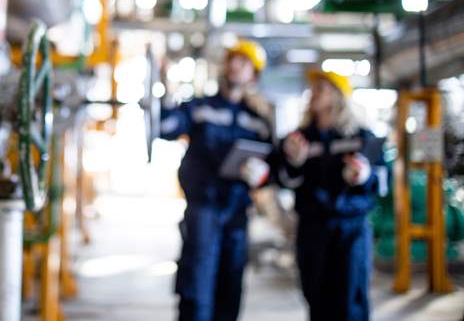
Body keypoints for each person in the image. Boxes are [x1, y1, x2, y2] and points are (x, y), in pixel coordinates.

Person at [160, 40, 274, 321]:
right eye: (232, 60)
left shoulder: (258, 120)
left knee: (230, 290)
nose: (235, 66)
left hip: (237, 214)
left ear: (254, 75)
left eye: (244, 62)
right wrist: (163, 94)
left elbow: (274, 164)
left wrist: (260, 174)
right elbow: (165, 128)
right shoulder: (200, 107)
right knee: (196, 290)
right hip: (203, 211)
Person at [279, 70, 385, 321]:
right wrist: (295, 163)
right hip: (312, 229)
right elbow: (283, 180)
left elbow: (381, 182)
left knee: (350, 302)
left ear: (338, 96)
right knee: (316, 299)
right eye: (313, 89)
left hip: (350, 230)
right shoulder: (298, 139)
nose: (313, 94)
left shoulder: (362, 139)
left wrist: (363, 175)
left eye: (321, 89)